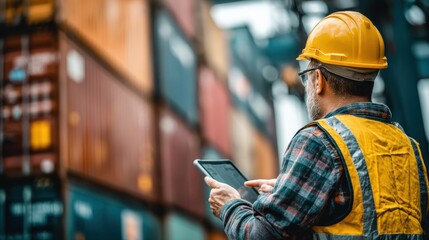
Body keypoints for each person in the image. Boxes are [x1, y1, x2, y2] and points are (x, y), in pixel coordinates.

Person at [205, 11, 429, 239]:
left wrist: (230, 206)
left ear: (318, 79)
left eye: (306, 76)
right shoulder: (409, 147)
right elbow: (368, 214)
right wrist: (292, 194)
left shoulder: (318, 140)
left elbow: (262, 236)